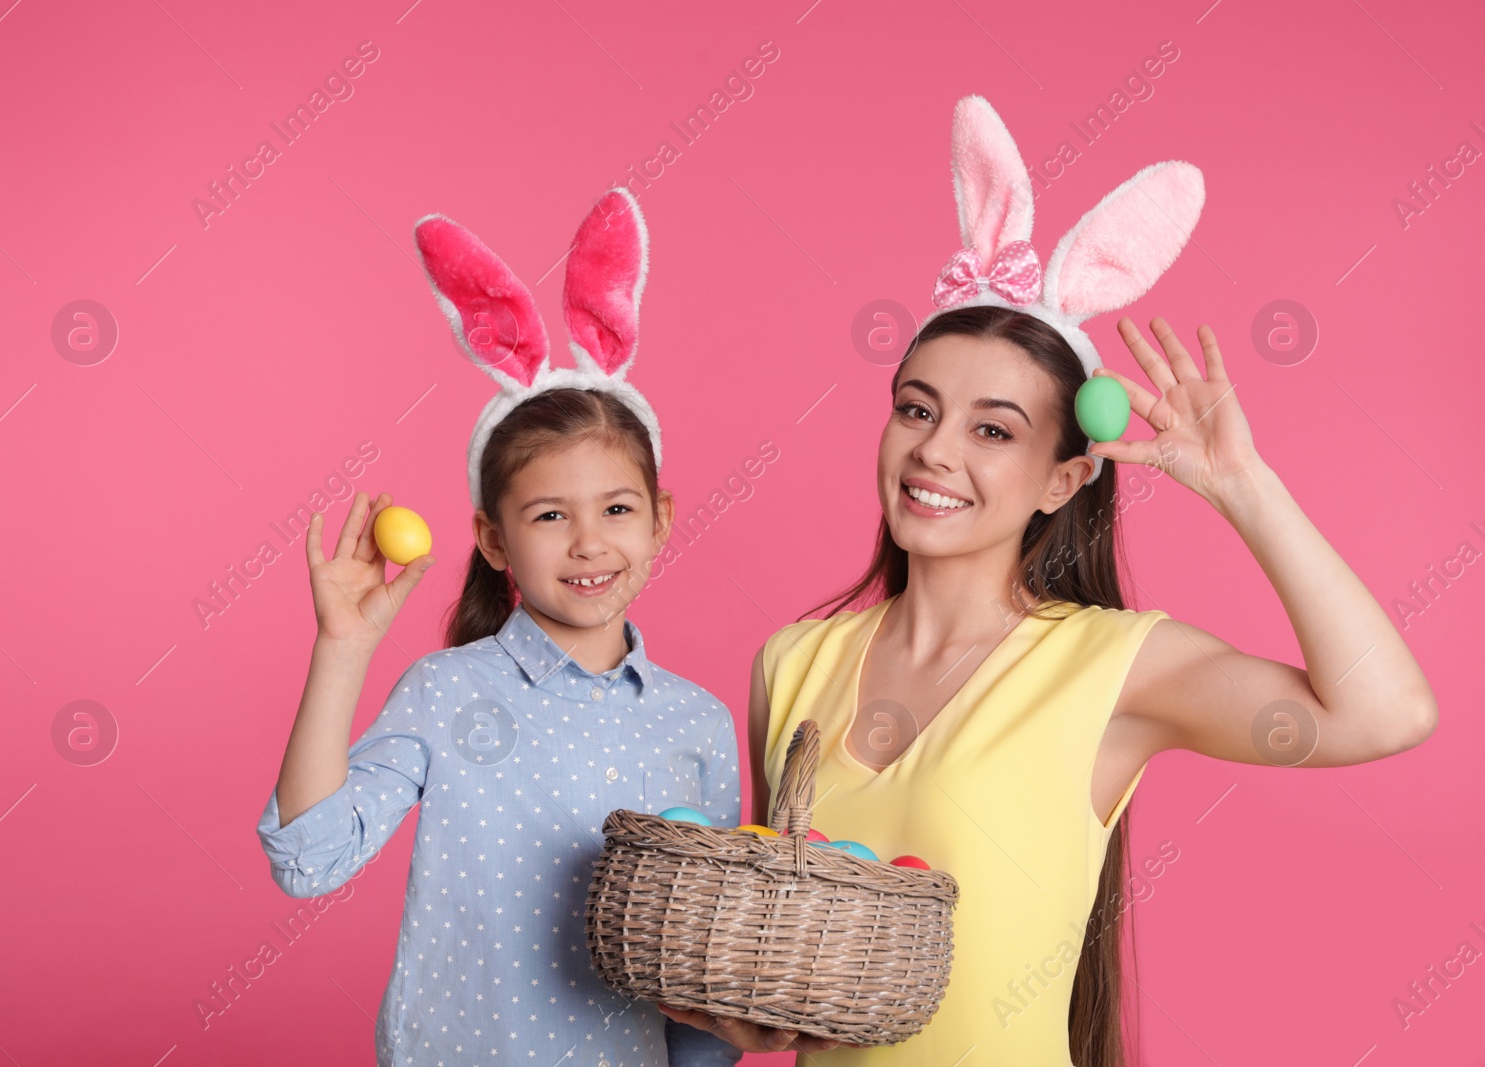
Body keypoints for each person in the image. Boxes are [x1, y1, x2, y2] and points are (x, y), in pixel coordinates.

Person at [662, 96, 1437, 1064]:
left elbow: (1386, 710)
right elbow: (779, 950)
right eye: (915, 409)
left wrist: (1245, 486)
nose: (934, 452)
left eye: (992, 429)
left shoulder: (1112, 667)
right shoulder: (793, 662)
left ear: (1063, 479)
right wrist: (745, 1015)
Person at [256, 188, 744, 1066]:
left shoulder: (697, 722)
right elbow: (309, 858)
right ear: (493, 539)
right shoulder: (445, 691)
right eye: (550, 515)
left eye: (619, 508)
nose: (590, 541)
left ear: (661, 519)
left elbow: (700, 976)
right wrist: (343, 648)